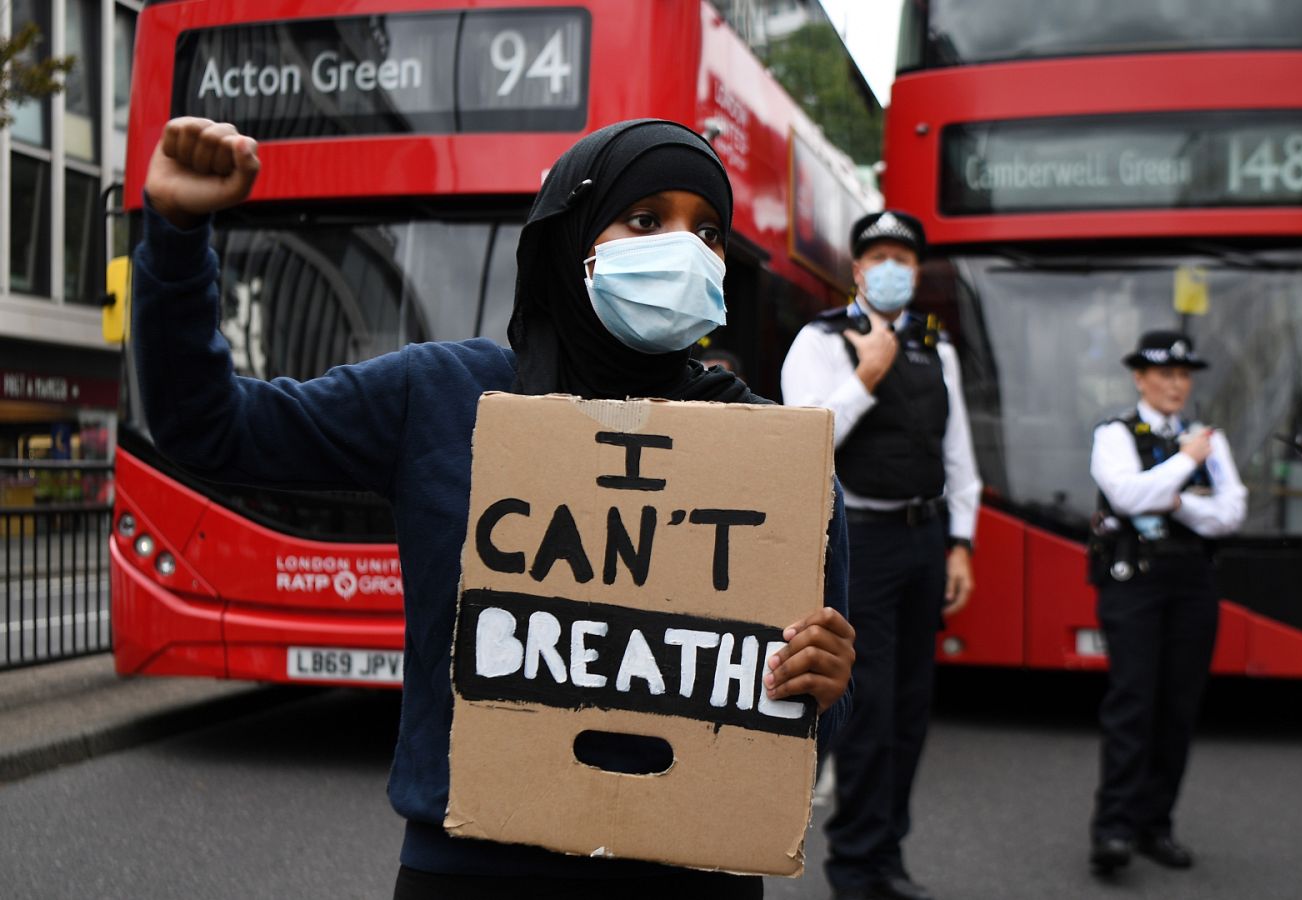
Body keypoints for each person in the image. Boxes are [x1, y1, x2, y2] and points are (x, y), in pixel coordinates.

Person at [135, 116, 856, 900]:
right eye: (646, 219)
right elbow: (206, 428)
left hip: (691, 872)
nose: (684, 250)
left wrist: (824, 679)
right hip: (475, 872)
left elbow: (820, 721)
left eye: (709, 231)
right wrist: (176, 235)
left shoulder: (775, 458)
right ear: (571, 234)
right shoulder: (441, 396)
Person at [779, 209, 980, 900]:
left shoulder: (936, 346)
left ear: (915, 270)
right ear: (858, 269)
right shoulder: (822, 340)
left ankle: (888, 853)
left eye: (905, 256)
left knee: (912, 710)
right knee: (868, 707)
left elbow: (959, 458)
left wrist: (961, 542)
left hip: (925, 538)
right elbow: (804, 439)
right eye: (879, 255)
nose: (893, 267)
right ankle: (857, 868)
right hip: (862, 541)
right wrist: (865, 378)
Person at [1085, 330, 1246, 876]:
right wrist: (1182, 469)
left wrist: (1174, 502)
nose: (1175, 384)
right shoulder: (1115, 433)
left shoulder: (1208, 438)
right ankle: (1113, 830)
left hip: (1193, 580)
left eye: (1183, 375)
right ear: (1140, 378)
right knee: (1132, 703)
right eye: (1164, 374)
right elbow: (1126, 497)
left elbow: (1230, 513)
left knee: (1178, 707)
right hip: (1135, 581)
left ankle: (1156, 826)